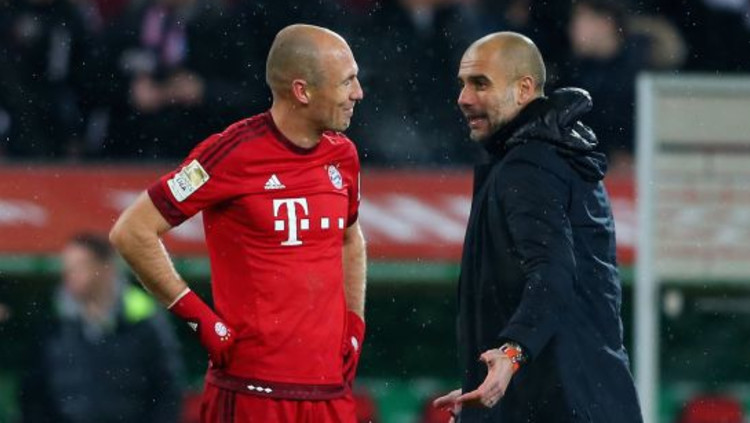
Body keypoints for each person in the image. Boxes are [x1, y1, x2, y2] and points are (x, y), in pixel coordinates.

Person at [109, 24, 367, 422]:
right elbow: (132, 231)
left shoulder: (343, 156)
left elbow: (350, 238)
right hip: (252, 391)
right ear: (302, 91)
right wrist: (201, 319)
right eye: (347, 81)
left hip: (330, 391)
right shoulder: (231, 153)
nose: (358, 93)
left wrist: (354, 321)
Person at [433, 32, 643, 422]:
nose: (464, 98)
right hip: (583, 399)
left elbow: (553, 273)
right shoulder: (555, 155)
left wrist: (512, 354)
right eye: (463, 84)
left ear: (524, 89)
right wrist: (494, 384)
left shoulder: (529, 165)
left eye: (480, 84)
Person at [20, 233, 183, 423]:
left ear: (106, 268)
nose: (69, 274)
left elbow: (167, 390)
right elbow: (33, 394)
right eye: (68, 267)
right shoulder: (52, 321)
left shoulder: (144, 319)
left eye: (79, 266)